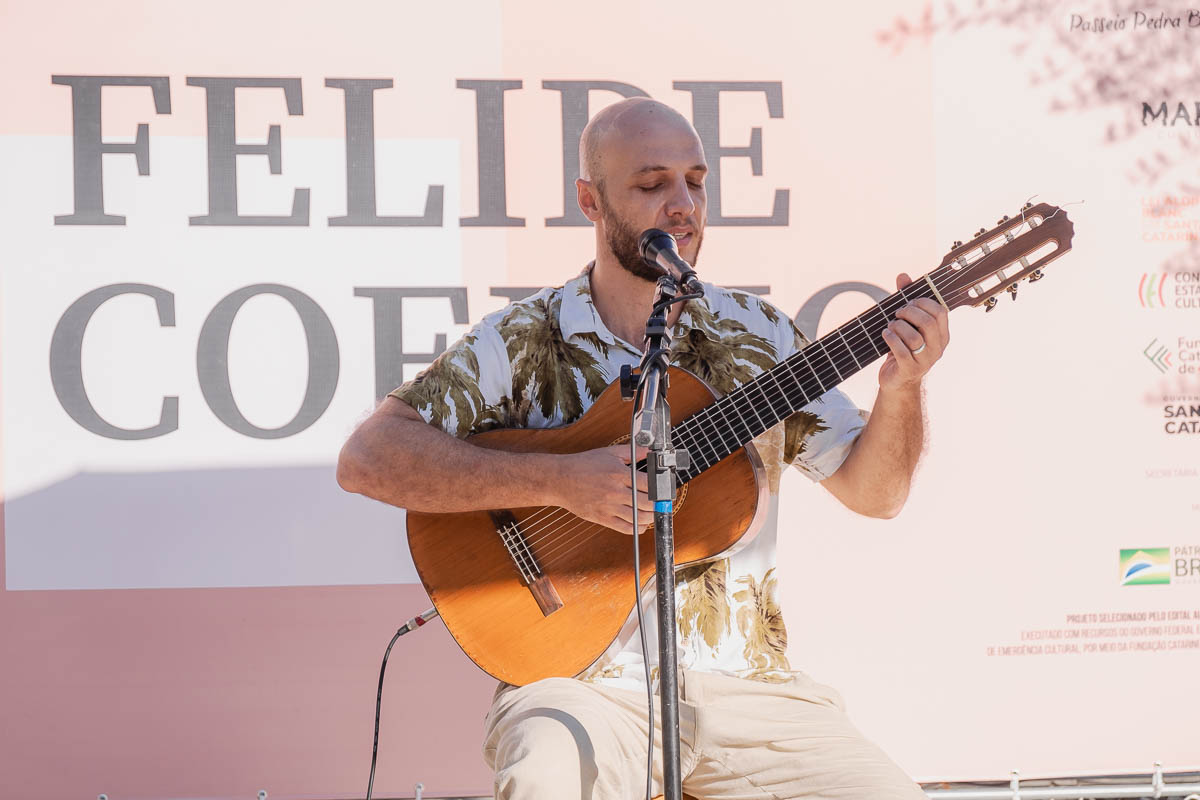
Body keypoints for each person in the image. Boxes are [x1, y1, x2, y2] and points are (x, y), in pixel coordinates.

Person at [337, 97, 949, 799]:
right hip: (579, 688)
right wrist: (559, 483)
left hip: (748, 685)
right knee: (547, 776)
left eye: (696, 181)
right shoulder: (522, 338)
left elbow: (877, 495)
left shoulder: (762, 337)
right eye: (653, 184)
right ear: (590, 201)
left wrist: (903, 388)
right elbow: (369, 458)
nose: (683, 205)